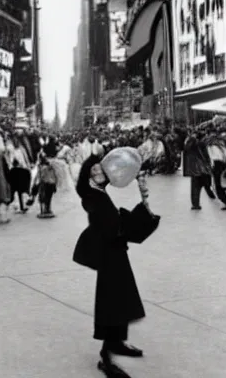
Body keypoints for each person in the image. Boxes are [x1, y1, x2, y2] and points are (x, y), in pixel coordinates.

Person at [75, 155, 146, 378]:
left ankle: (117, 343)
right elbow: (109, 224)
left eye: (101, 171)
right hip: (108, 254)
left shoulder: (99, 191)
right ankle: (106, 357)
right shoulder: (91, 194)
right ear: (87, 174)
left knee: (122, 298)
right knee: (111, 304)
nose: (98, 174)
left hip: (114, 251)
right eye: (94, 171)